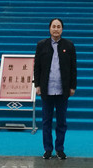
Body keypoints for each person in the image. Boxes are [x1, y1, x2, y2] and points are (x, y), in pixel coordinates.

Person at [34, 18, 77, 160]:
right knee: (46, 121)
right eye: (54, 26)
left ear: (62, 29)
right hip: (46, 89)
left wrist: (72, 86)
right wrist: (37, 85)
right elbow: (37, 67)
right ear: (49, 28)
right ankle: (47, 149)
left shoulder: (69, 45)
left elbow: (73, 68)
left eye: (59, 27)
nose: (56, 29)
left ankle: (59, 149)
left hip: (62, 89)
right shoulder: (41, 45)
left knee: (61, 122)